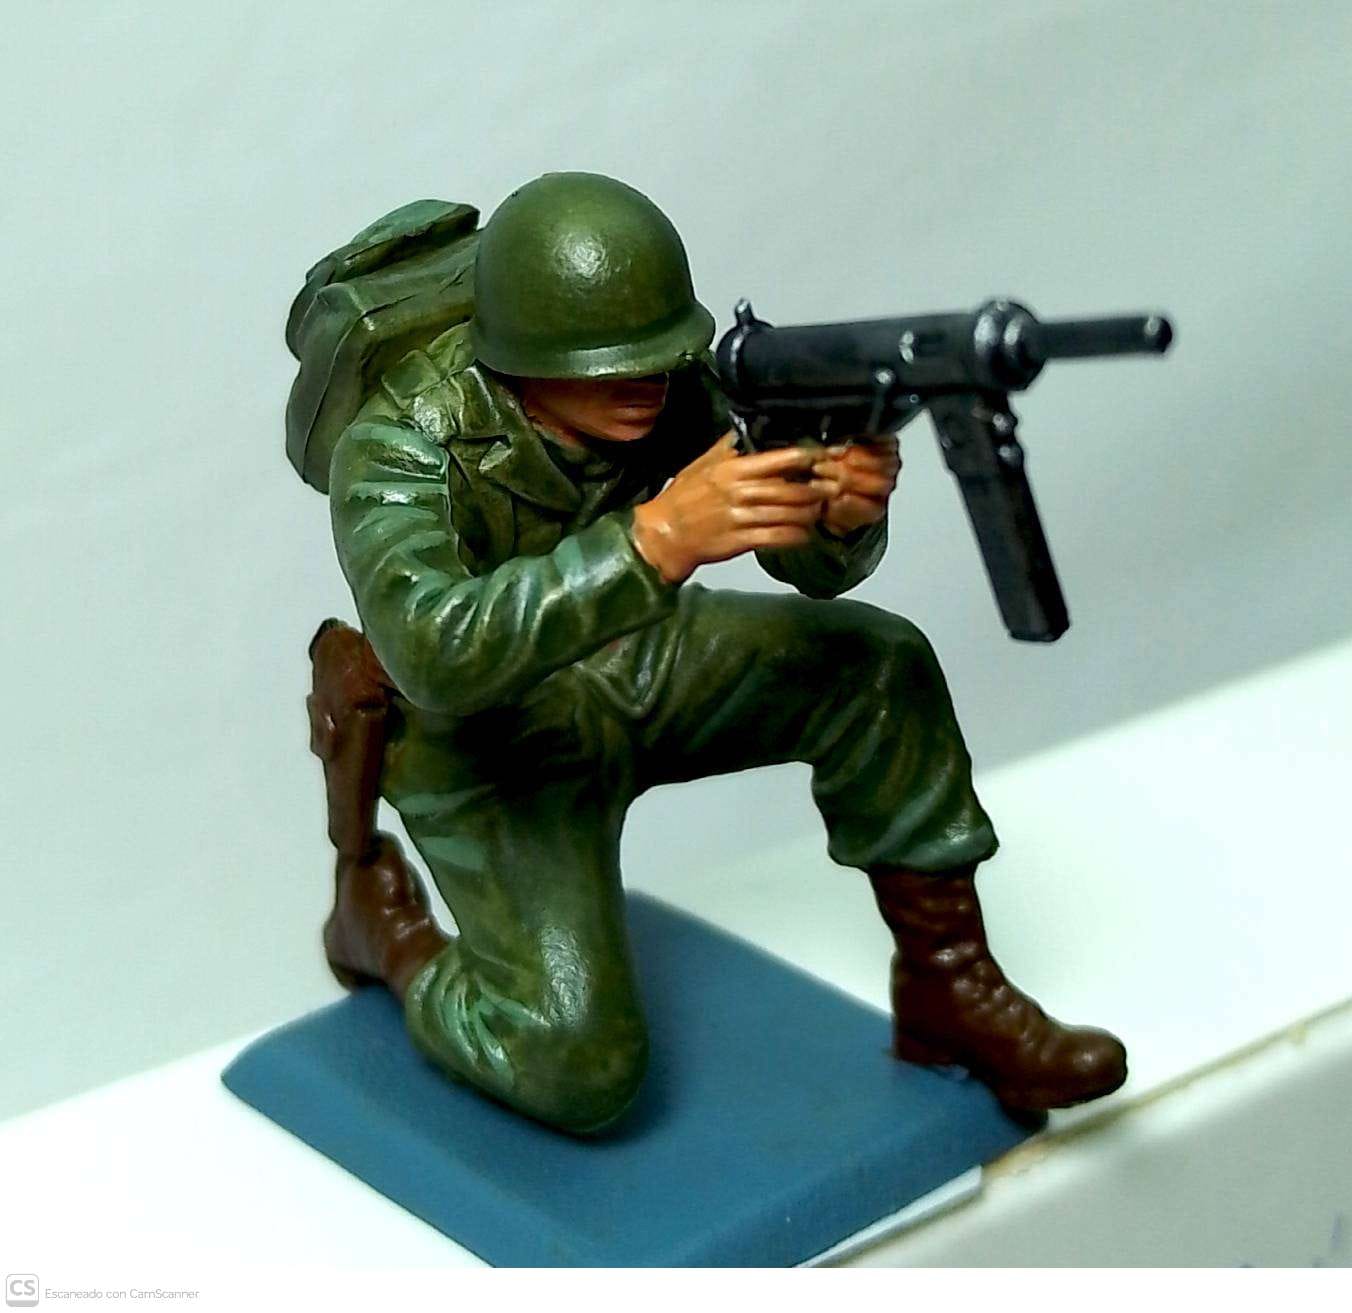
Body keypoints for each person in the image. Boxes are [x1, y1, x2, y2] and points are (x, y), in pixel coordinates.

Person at [314, 171, 1126, 1135]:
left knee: (877, 669)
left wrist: (840, 514)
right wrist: (656, 537)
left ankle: (950, 985)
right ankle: (393, 941)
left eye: (658, 357)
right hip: (480, 739)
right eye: (611, 368)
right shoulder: (399, 444)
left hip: (635, 660)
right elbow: (431, 653)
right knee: (579, 1066)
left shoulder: (673, 384)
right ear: (519, 358)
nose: (647, 386)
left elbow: (811, 570)